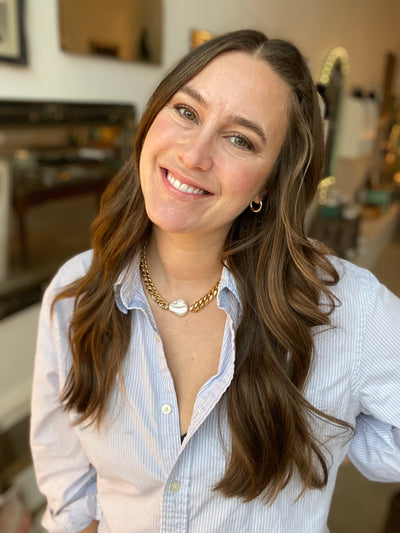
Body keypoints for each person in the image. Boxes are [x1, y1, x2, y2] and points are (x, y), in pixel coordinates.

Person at [30, 29, 400, 533]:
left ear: (270, 182)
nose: (194, 154)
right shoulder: (76, 292)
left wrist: (333, 431)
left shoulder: (345, 309)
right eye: (186, 112)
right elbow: (72, 499)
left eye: (240, 139)